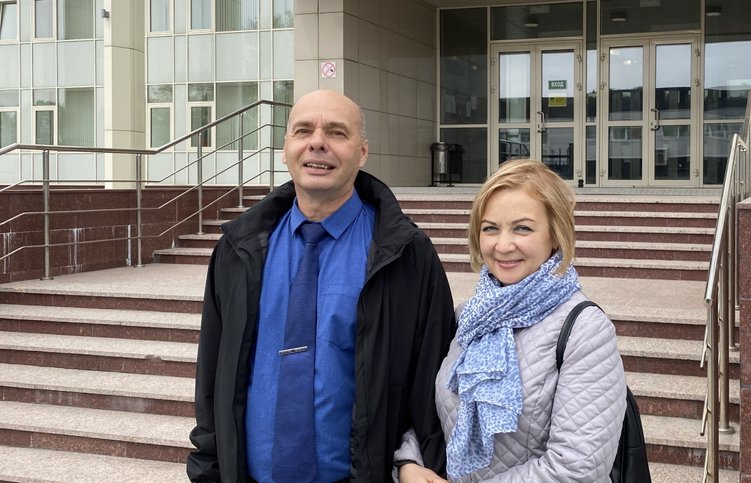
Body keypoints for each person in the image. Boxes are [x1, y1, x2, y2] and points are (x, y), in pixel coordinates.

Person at [187, 89, 456, 483]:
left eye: (336, 132)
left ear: (362, 152)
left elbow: (430, 385)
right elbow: (212, 379)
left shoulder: (407, 256)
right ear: (285, 149)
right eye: (303, 131)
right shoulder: (237, 250)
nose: (317, 142)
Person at [396, 159, 626, 482]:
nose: (503, 246)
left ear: (556, 235)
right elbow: (430, 413)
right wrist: (408, 462)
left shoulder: (585, 331)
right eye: (491, 228)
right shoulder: (469, 317)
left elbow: (576, 468)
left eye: (523, 228)